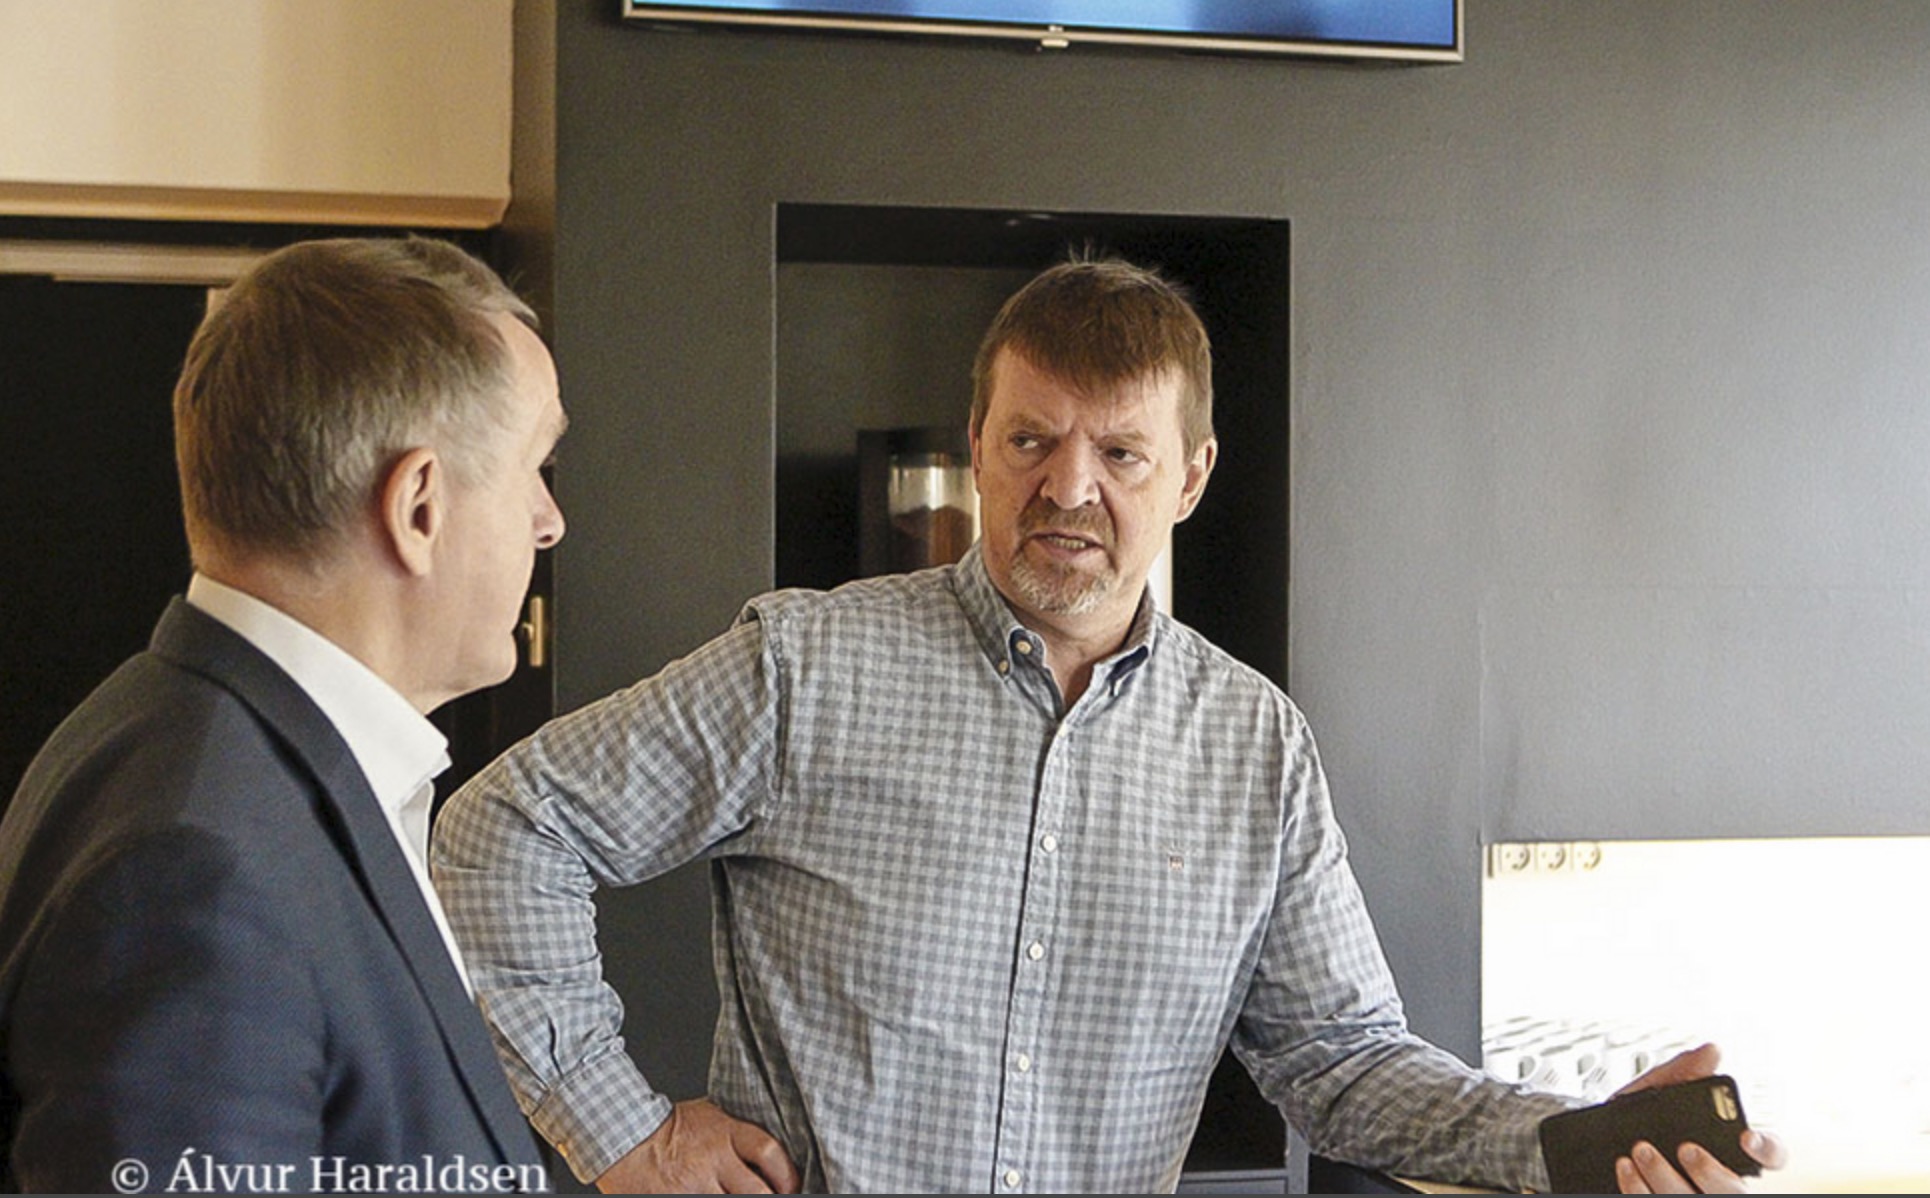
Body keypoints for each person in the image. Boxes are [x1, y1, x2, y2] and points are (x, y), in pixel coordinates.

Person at [433, 257, 1779, 1194]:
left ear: (1189, 476)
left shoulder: (1253, 746)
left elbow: (1342, 1062)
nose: (1066, 488)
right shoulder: (806, 666)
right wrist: (625, 1130)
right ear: (977, 442)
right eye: (1030, 441)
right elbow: (503, 830)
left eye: (1119, 453)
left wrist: (1570, 1138)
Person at [0, 238, 565, 1193]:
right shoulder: (196, 866)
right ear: (418, 507)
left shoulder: (182, 740)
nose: (550, 521)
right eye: (535, 468)